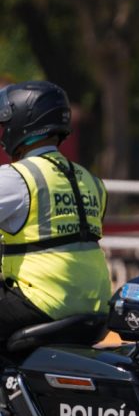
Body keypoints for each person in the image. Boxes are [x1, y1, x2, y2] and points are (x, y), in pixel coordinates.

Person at [0, 81, 111, 342]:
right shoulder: (92, 181)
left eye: (5, 122)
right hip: (97, 305)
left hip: (43, 302)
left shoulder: (17, 178)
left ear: (21, 122)